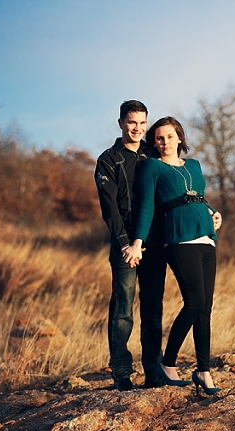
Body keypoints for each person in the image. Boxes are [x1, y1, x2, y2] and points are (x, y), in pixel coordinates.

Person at [124, 116, 223, 396]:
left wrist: (214, 212)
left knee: (205, 309)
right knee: (194, 303)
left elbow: (197, 197)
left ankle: (203, 371)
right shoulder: (152, 167)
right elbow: (146, 206)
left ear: (179, 137)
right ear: (154, 143)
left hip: (206, 237)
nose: (164, 142)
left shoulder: (194, 165)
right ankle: (167, 364)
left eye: (169, 136)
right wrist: (137, 242)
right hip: (180, 239)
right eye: (158, 138)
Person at [94, 100, 167, 391]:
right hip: (124, 245)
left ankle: (153, 373)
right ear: (121, 123)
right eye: (132, 122)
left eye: (142, 123)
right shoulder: (109, 160)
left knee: (153, 309)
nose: (137, 128)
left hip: (154, 243)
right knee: (122, 308)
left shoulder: (154, 154)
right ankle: (122, 374)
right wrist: (125, 243)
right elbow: (109, 208)